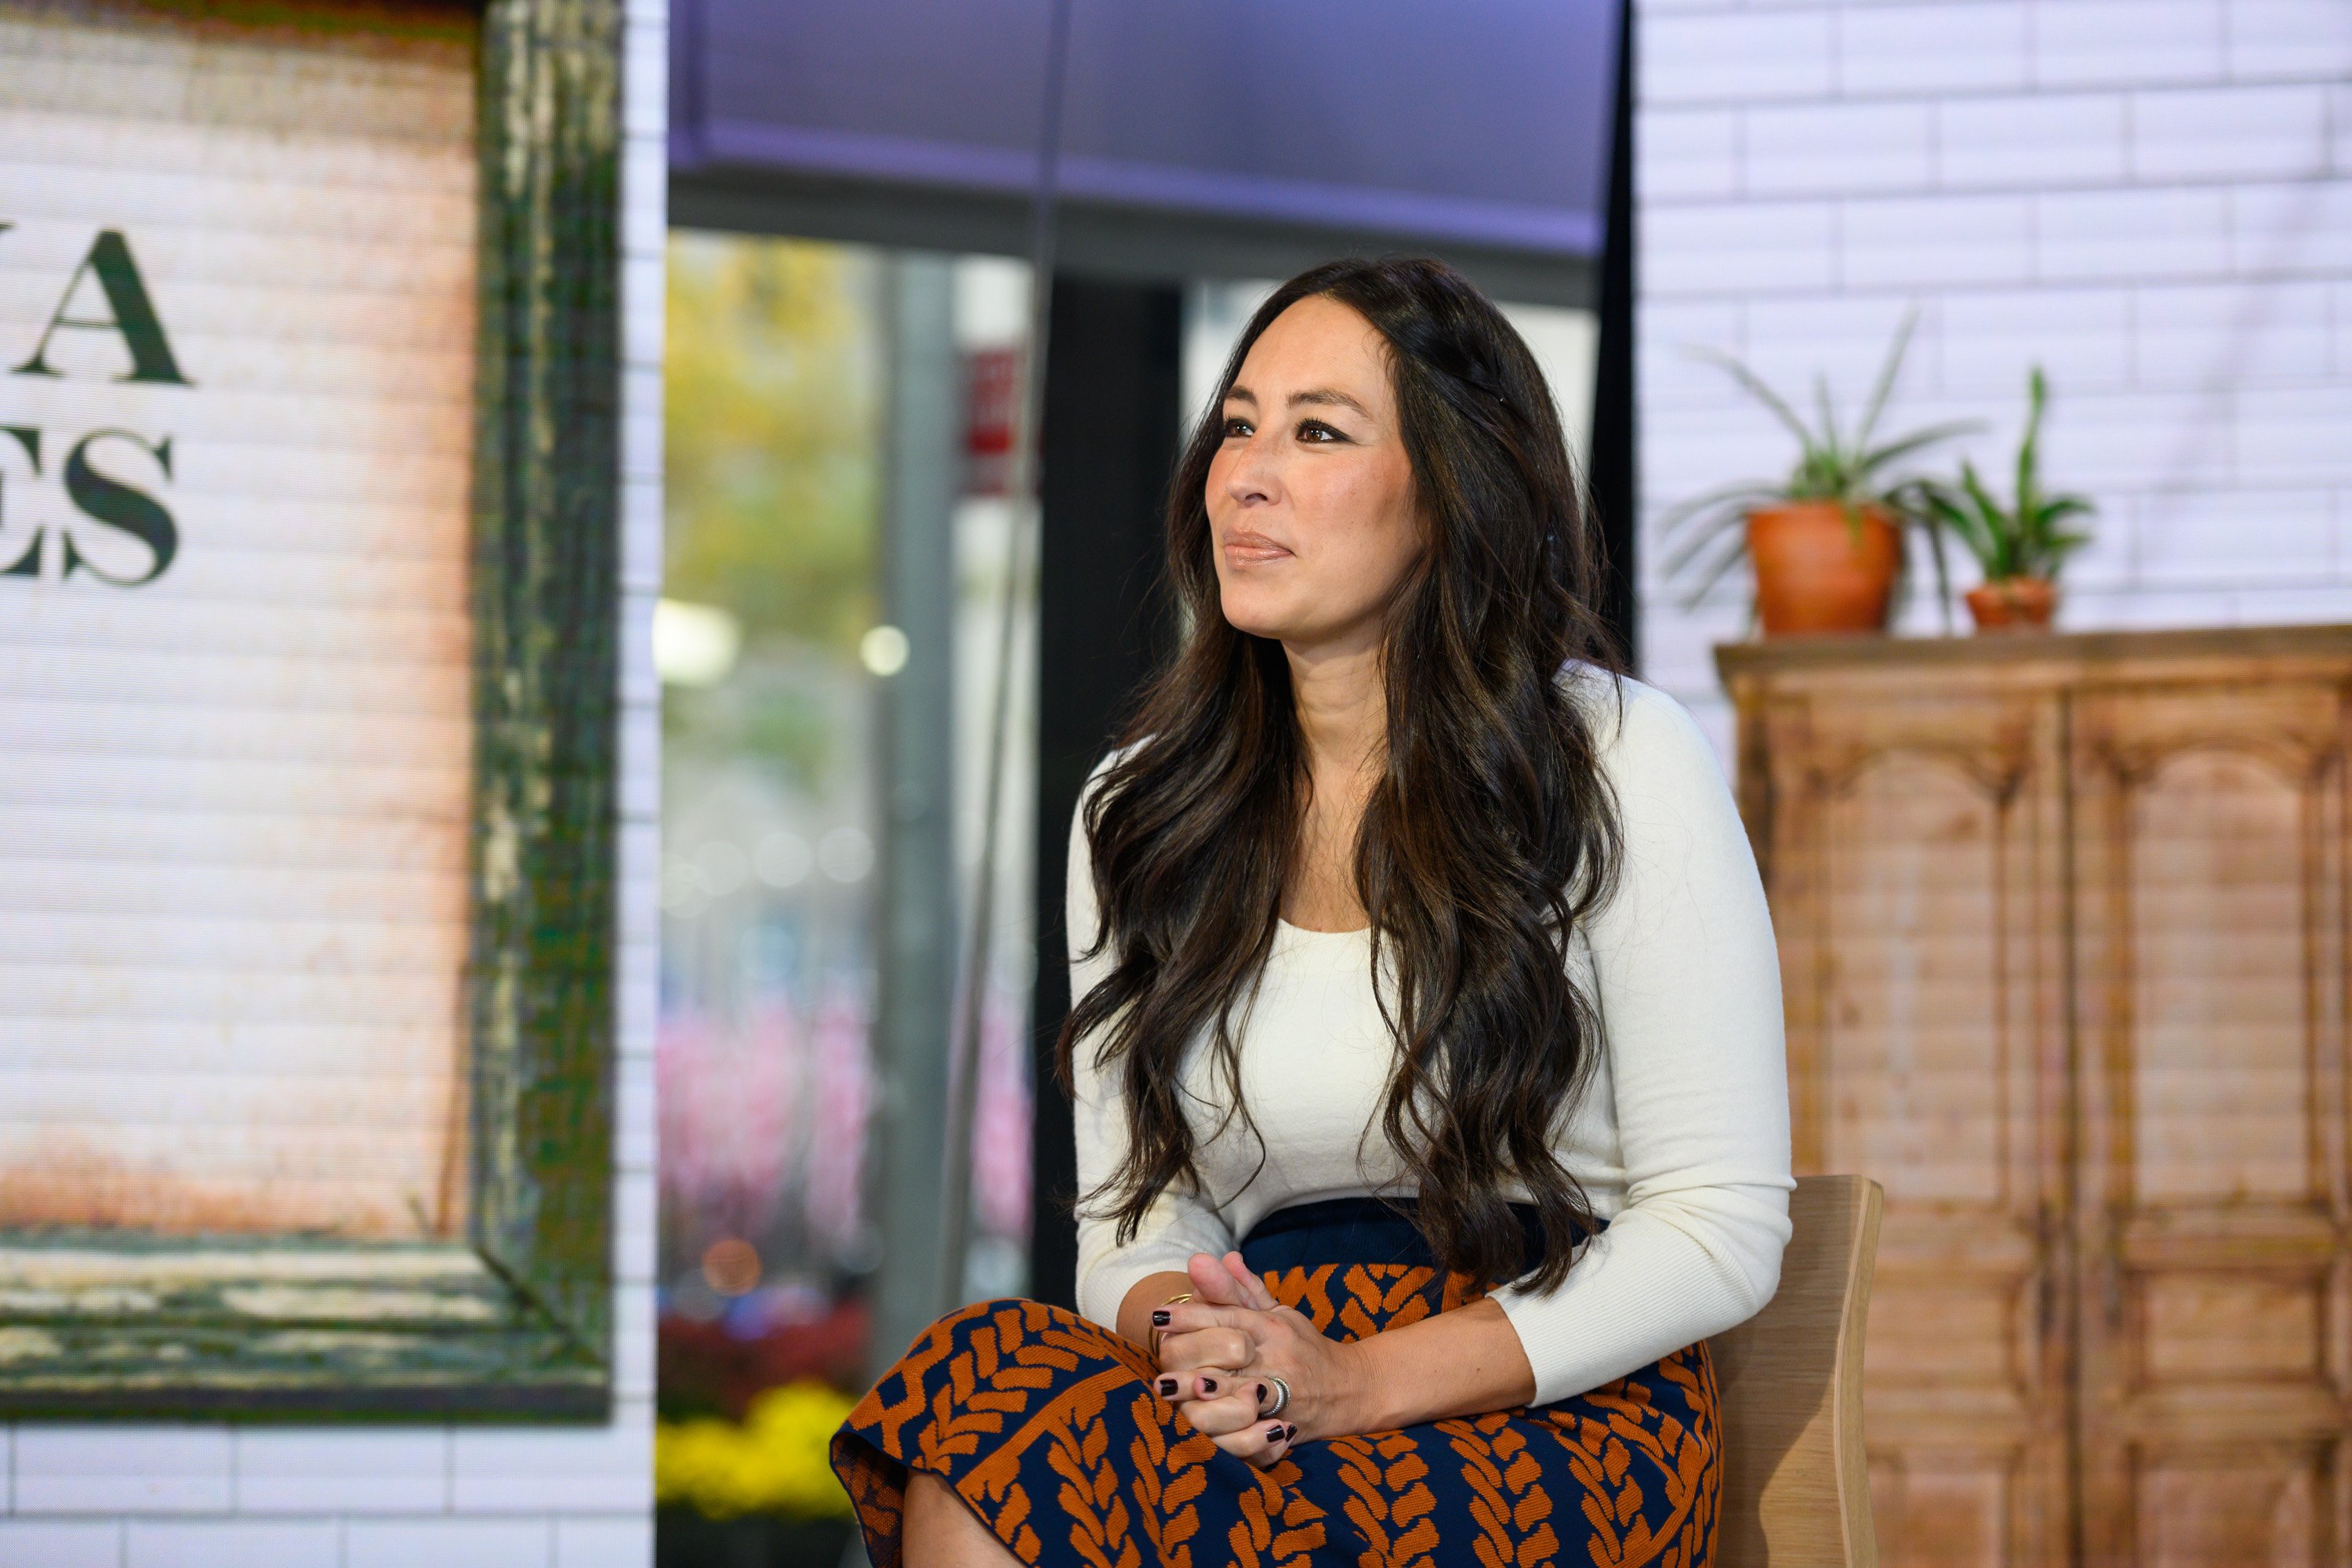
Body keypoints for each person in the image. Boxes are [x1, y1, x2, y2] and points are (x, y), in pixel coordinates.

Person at [831, 256, 1792, 1567]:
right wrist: (1209, 1349)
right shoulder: (1141, 809)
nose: (1247, 474)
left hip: (1545, 1390)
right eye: (1238, 426)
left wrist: (1357, 1382)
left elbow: (1718, 1226)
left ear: (1453, 491)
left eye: (1318, 431)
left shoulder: (1616, 758)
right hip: (1259, 1380)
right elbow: (1131, 1228)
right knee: (978, 1392)